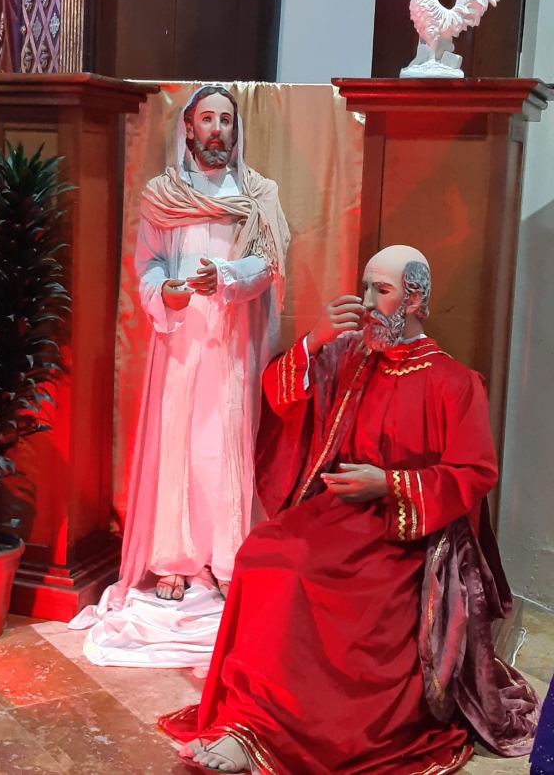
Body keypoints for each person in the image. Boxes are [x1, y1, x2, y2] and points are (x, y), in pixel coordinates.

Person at [159, 245, 538, 774]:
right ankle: (248, 721)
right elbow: (278, 396)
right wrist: (314, 339)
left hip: (404, 533)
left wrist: (388, 484)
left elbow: (474, 475)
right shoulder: (350, 357)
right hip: (336, 514)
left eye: (380, 291)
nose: (365, 302)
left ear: (416, 300)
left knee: (305, 575)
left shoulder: (456, 383)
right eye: (364, 287)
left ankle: (288, 727)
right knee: (262, 555)